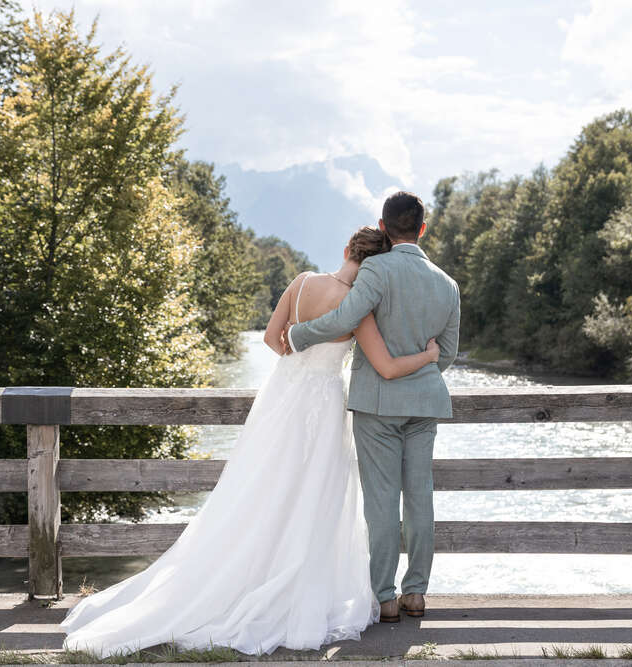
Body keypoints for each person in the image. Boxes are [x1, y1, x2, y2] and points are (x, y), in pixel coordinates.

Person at [59, 225, 440, 657]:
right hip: (325, 402)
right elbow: (386, 366)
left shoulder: (301, 283)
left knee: (261, 489)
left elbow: (270, 339)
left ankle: (240, 576)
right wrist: (428, 356)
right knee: (314, 497)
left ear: (347, 249)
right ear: (375, 265)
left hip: (284, 396)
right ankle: (298, 587)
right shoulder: (358, 307)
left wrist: (301, 367)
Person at [284, 191, 460, 624]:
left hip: (377, 405)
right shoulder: (447, 283)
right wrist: (421, 364)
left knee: (382, 501)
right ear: (422, 228)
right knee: (419, 497)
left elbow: (345, 319)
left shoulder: (377, 269)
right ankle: (415, 592)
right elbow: (448, 353)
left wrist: (299, 335)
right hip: (424, 405)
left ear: (383, 228)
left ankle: (384, 598)